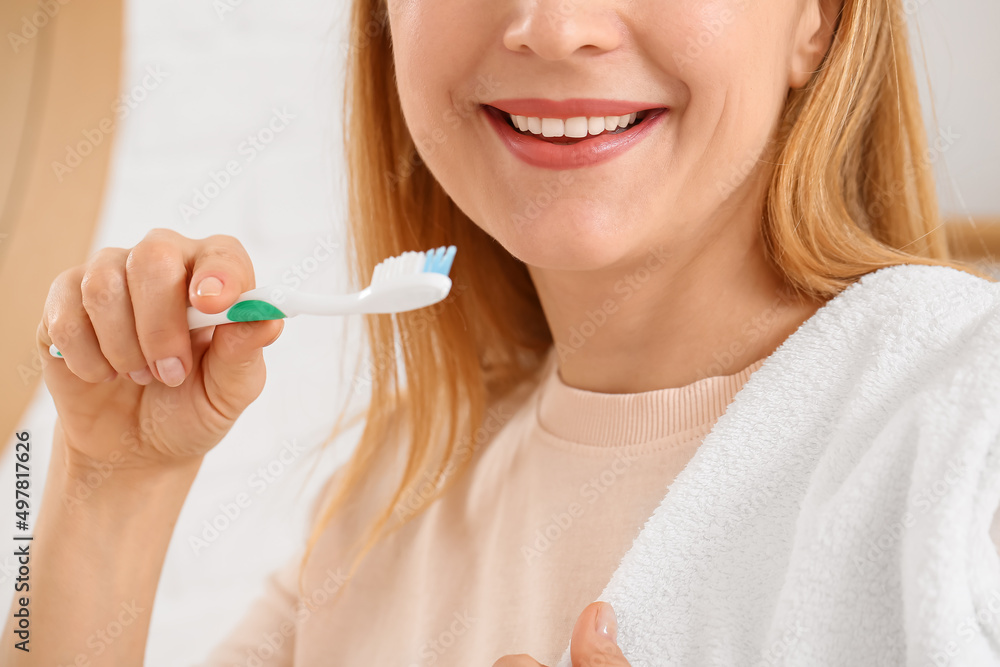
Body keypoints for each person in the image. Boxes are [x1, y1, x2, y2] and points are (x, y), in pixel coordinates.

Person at [5, 0, 999, 665]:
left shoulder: (969, 432)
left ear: (814, 20)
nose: (554, 27)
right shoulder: (385, 510)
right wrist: (110, 486)